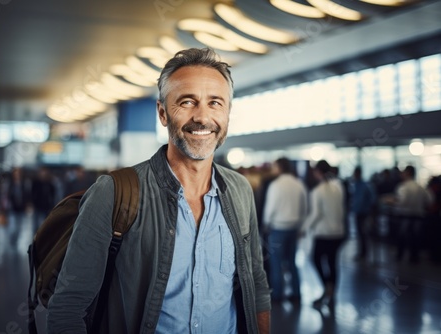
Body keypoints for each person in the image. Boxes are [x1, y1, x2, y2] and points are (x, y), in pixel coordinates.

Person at [47, 48, 271, 334]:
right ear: (163, 113)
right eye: (187, 102)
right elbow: (68, 306)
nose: (202, 117)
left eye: (215, 103)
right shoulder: (114, 193)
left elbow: (257, 284)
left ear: (227, 113)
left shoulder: (239, 190)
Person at [300, 160, 346, 309]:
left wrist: (304, 228)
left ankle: (327, 287)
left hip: (323, 233)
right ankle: (332, 292)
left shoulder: (317, 191)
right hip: (338, 232)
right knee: (332, 262)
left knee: (316, 259)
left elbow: (316, 214)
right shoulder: (338, 187)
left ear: (317, 172)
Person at [262, 157, 307, 303]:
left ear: (280, 167)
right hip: (294, 228)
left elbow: (270, 208)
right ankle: (296, 293)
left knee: (276, 264)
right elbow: (304, 207)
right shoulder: (298, 184)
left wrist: (265, 224)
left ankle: (277, 295)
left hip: (278, 228)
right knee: (292, 262)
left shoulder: (276, 185)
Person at [393, 165, 433, 263]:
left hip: (405, 215)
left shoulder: (403, 187)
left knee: (402, 237)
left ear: (408, 173)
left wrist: (392, 202)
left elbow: (402, 202)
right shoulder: (420, 187)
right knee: (415, 237)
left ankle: (400, 256)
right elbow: (430, 200)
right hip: (418, 215)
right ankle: (414, 257)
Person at [348, 166, 375, 261]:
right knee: (360, 233)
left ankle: (364, 252)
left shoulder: (365, 185)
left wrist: (370, 213)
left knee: (363, 233)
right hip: (357, 212)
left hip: (364, 213)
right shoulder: (355, 185)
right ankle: (362, 252)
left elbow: (372, 199)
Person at [31, 166, 56, 233]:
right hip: (37, 206)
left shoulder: (50, 183)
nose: (44, 174)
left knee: (44, 225)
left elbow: (52, 195)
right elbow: (32, 194)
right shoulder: (36, 182)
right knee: (35, 225)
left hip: (46, 207)